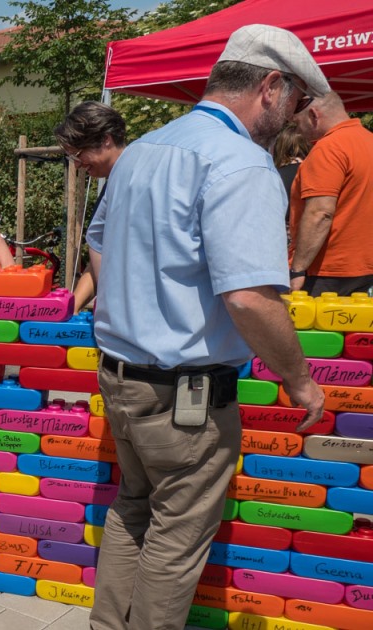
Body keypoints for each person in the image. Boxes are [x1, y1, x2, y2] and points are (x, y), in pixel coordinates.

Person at [85, 25, 326, 629]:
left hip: (120, 375)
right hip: (182, 394)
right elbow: (248, 297)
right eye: (297, 101)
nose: (296, 116)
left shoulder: (144, 148)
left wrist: (134, 309)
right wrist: (300, 381)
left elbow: (99, 244)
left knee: (133, 510)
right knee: (176, 533)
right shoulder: (240, 162)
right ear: (271, 87)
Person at [288, 91, 373, 296]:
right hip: (366, 270)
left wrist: (297, 269)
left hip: (328, 273)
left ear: (314, 116)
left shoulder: (328, 148)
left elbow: (320, 213)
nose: (298, 132)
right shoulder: (368, 140)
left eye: (298, 124)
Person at [54, 101, 129, 312]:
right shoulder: (113, 182)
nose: (77, 164)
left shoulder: (134, 182)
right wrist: (72, 307)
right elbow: (100, 255)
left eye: (78, 155)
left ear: (106, 140)